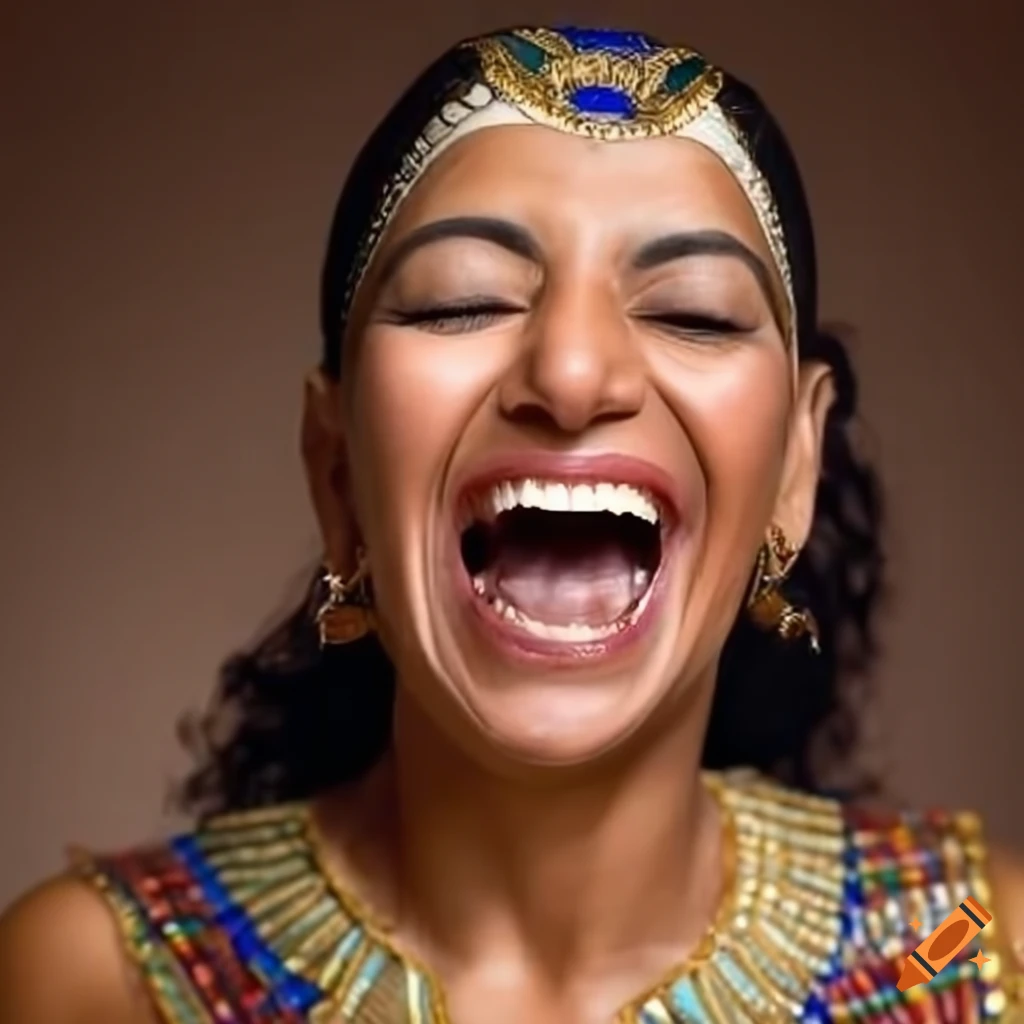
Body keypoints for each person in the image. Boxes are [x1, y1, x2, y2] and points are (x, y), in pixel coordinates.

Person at [1, 24, 1021, 1024]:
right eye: (460, 303)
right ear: (337, 467)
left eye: (693, 314)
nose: (572, 375)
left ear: (796, 465)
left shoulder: (967, 943)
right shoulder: (97, 981)